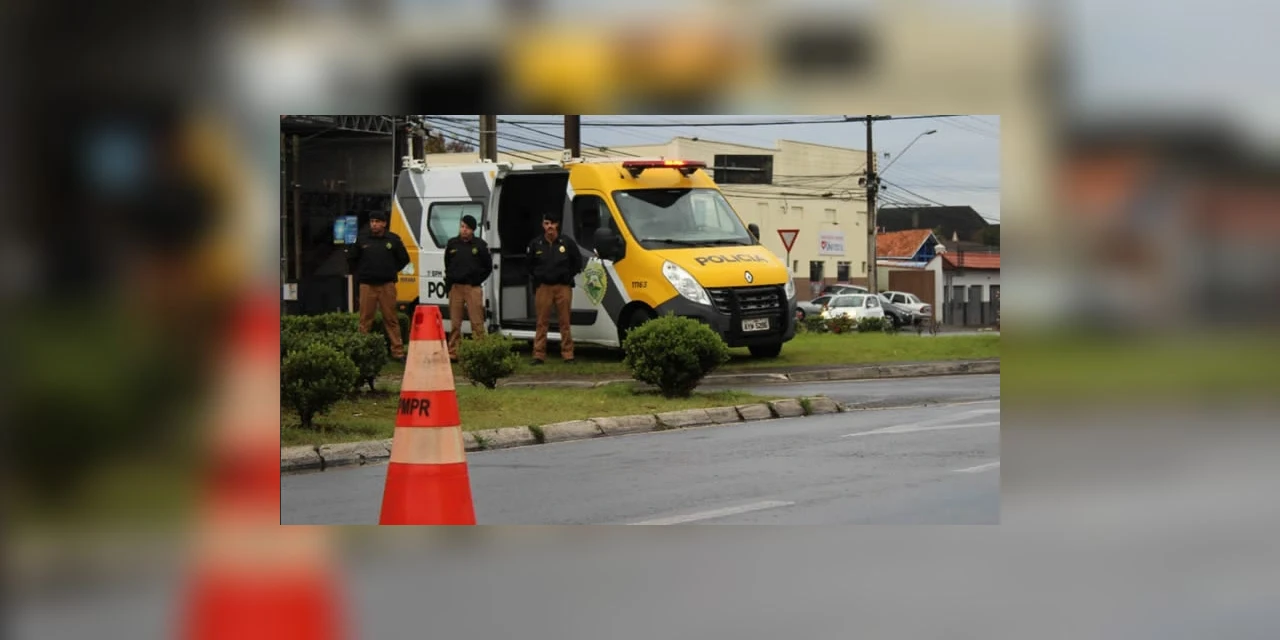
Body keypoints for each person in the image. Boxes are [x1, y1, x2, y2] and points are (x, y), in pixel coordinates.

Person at [346, 210, 410, 360]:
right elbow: (351, 258)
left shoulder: (393, 240)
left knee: (391, 319)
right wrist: (361, 273)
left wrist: (390, 270)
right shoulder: (362, 239)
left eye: (377, 222)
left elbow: (404, 259)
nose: (374, 224)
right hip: (367, 285)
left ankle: (398, 352)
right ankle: (362, 351)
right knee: (365, 319)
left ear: (384, 223)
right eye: (372, 221)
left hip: (387, 285)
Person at [527, 210, 584, 365]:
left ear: (557, 224)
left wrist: (568, 276)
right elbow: (529, 265)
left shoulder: (567, 243)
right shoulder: (536, 244)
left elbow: (577, 262)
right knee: (541, 322)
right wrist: (538, 277)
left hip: (562, 287)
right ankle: (538, 355)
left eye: (552, 223)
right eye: (546, 224)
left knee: (564, 322)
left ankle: (568, 354)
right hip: (544, 287)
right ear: (542, 225)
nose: (549, 227)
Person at [443, 214, 492, 361]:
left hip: (472, 288)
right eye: (462, 227)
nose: (464, 230)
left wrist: (477, 280)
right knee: (455, 323)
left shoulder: (480, 245)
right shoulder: (452, 244)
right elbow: (447, 263)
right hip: (456, 287)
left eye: (467, 228)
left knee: (477, 322)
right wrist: (451, 281)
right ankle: (453, 351)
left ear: (473, 230)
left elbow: (488, 267)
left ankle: (480, 351)